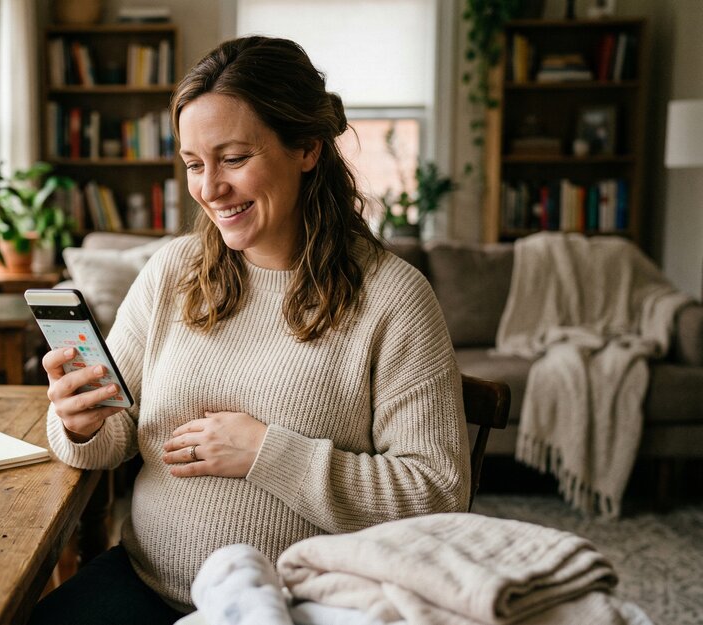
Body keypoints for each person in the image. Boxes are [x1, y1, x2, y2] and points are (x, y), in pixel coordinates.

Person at [30, 36, 469, 625]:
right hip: (146, 586)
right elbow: (115, 436)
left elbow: (435, 493)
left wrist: (267, 453)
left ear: (307, 147)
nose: (209, 188)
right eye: (193, 164)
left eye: (234, 159)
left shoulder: (394, 299)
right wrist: (79, 423)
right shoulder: (171, 272)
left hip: (301, 605)